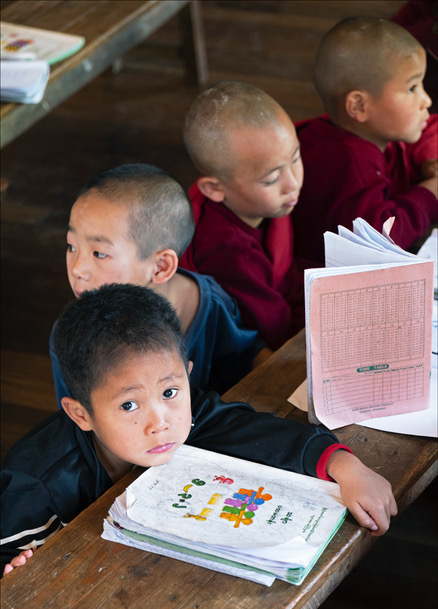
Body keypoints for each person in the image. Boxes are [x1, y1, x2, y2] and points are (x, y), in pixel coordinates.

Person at [1, 284, 397, 576]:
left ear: (187, 378)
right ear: (81, 414)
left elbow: (259, 434)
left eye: (171, 391)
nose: (161, 422)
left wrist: (347, 468)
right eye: (129, 405)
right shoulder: (36, 484)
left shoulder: (186, 418)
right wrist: (12, 571)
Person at [50, 163, 271, 401]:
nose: (77, 268)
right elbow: (78, 424)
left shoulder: (206, 301)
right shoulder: (73, 336)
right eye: (71, 246)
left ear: (161, 267)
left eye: (99, 253)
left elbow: (244, 355)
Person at [292, 16, 438, 270]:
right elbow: (377, 244)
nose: (425, 99)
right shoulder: (351, 163)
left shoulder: (355, 132)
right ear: (359, 106)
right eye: (412, 88)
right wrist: (430, 194)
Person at [179, 81, 305, 350]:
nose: (292, 183)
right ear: (214, 188)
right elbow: (275, 330)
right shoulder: (227, 251)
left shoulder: (264, 202)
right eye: (272, 179)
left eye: (295, 158)